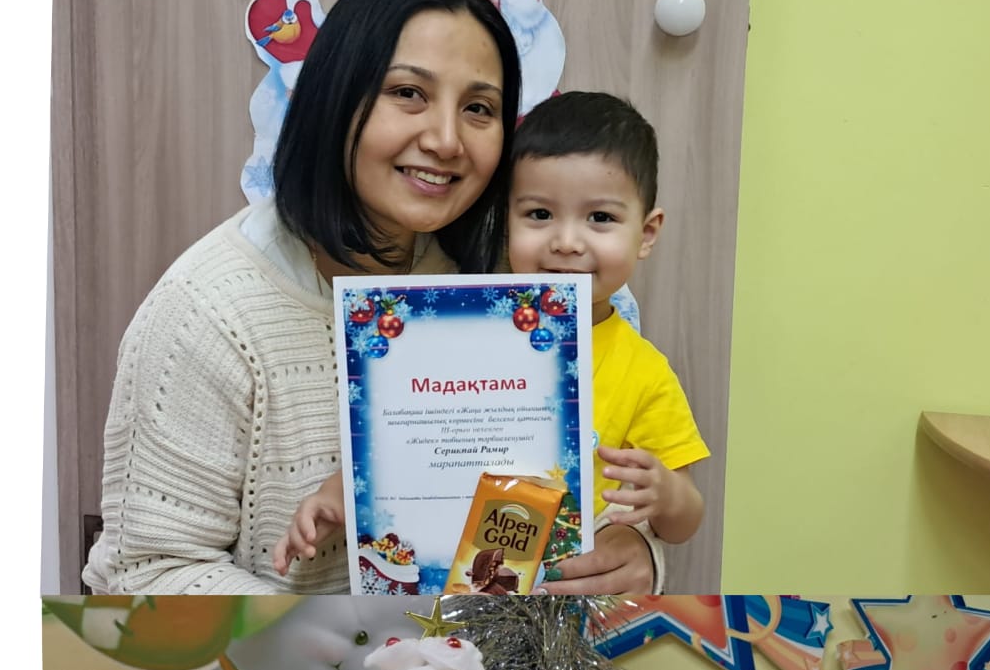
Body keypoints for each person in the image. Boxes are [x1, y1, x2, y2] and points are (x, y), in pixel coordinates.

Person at [82, 0, 656, 594]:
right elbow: (148, 571)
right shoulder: (208, 312)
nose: (446, 140)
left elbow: (615, 479)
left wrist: (635, 549)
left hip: (500, 648)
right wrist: (360, 643)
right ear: (335, 95)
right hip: (298, 657)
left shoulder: (530, 273)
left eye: (479, 108)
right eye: (407, 93)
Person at [276, 91, 707, 592]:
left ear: (647, 233)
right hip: (446, 586)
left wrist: (668, 497)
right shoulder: (462, 333)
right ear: (506, 220)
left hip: (564, 599)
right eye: (539, 214)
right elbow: (406, 441)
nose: (567, 242)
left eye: (601, 219)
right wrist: (340, 494)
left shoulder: (644, 371)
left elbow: (684, 523)